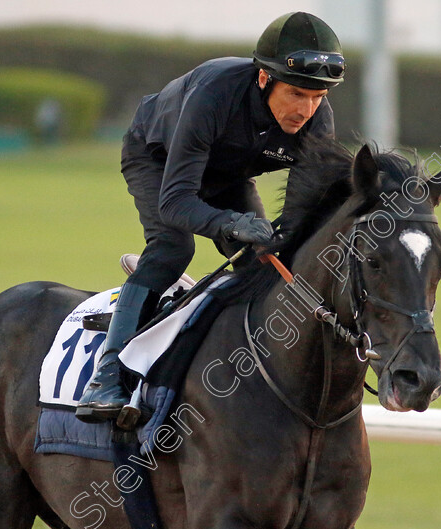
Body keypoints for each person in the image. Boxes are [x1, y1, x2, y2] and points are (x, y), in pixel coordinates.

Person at [75, 12, 345, 423]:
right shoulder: (214, 93)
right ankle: (108, 376)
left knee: (268, 259)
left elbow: (303, 214)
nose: (306, 109)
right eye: (295, 94)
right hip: (160, 160)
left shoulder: (316, 120)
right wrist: (231, 224)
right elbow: (176, 203)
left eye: (318, 96)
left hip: (229, 173)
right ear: (263, 80)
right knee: (172, 247)